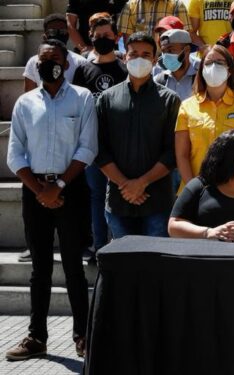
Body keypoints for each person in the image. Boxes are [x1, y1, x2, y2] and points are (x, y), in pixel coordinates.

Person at [5, 39, 97, 361]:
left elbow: (87, 148)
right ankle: (37, 337)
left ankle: (83, 336)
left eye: (54, 59)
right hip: (35, 192)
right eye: (42, 60)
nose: (48, 64)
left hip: (70, 191)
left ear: (67, 63)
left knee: (74, 267)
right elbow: (15, 153)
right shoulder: (25, 103)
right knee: (39, 270)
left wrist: (57, 186)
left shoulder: (83, 99)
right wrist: (40, 190)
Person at [95, 32, 181, 238]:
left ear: (154, 59)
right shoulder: (107, 99)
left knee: (156, 264)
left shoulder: (170, 100)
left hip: (157, 201)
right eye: (133, 54)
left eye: (146, 54)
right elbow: (99, 148)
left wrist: (141, 183)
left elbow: (173, 151)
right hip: (118, 199)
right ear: (124, 57)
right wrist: (126, 184)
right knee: (123, 266)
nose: (139, 59)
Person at [72, 13, 128, 254]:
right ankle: (99, 245)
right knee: (96, 196)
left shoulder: (124, 69)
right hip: (92, 146)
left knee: (119, 194)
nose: (103, 39)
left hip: (120, 145)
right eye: (98, 36)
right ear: (91, 38)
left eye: (107, 35)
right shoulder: (83, 71)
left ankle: (120, 243)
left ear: (115, 37)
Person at [175, 44, 234, 191]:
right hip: (194, 189)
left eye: (220, 63)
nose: (213, 67)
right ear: (201, 70)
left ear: (229, 70)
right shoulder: (187, 106)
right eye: (208, 63)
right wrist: (194, 189)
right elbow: (182, 155)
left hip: (233, 191)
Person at [24, 14, 88, 93]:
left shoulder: (81, 62)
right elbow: (29, 97)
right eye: (52, 32)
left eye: (62, 31)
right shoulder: (33, 62)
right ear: (45, 36)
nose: (58, 34)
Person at [153, 29, 200, 101]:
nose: (165, 56)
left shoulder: (201, 80)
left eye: (170, 50)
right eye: (163, 52)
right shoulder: (158, 81)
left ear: (187, 50)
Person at [117, 0, 191, 40]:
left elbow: (184, 38)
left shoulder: (177, 5)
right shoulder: (129, 6)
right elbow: (128, 41)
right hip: (140, 61)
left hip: (166, 60)